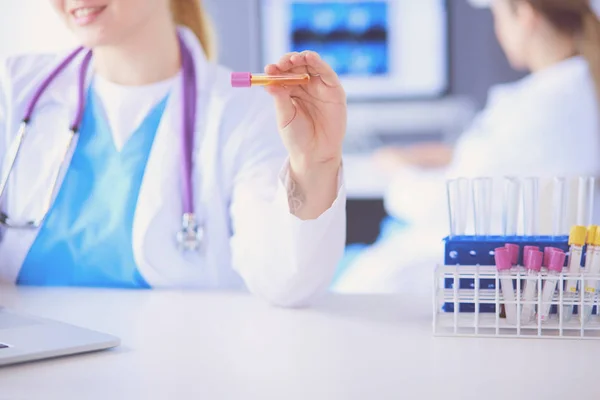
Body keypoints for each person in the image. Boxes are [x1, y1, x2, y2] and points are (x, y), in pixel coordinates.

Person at [0, 0, 348, 307]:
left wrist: (314, 163)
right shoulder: (14, 89)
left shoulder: (246, 110)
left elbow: (287, 282)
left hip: (177, 366)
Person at [333, 0, 600, 293]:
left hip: (453, 273)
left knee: (332, 274)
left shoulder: (540, 107)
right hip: (520, 273)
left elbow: (450, 207)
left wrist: (398, 171)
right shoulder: (571, 91)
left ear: (524, 15)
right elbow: (503, 162)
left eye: (498, 16)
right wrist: (452, 155)